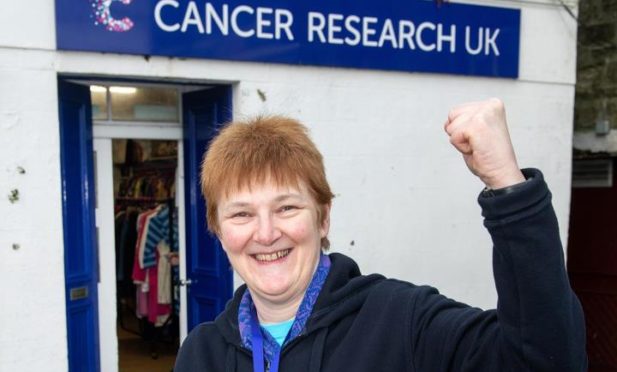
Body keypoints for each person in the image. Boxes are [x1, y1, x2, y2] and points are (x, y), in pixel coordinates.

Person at [174, 99, 587, 371]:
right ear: (218, 229)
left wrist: (508, 186)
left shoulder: (403, 322)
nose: (265, 233)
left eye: (287, 208)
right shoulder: (201, 354)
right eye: (242, 214)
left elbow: (548, 362)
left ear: (323, 218)